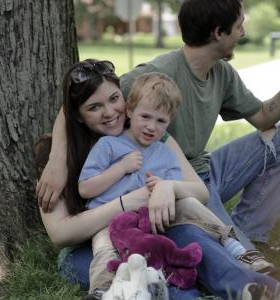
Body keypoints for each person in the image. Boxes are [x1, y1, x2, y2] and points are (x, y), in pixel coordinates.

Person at [36, 59, 280, 300]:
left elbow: (200, 192)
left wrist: (169, 188)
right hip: (90, 247)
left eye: (114, 99)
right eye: (94, 107)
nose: (110, 112)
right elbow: (61, 233)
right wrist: (128, 201)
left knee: (189, 236)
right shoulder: (54, 157)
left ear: (126, 100)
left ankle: (255, 289)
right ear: (77, 115)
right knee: (137, 271)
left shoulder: (147, 133)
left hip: (149, 224)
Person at [120, 0, 280, 252]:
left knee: (278, 138)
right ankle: (244, 246)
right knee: (241, 255)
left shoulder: (222, 73)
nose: (243, 33)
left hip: (208, 172)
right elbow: (87, 98)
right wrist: (55, 158)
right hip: (177, 184)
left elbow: (262, 117)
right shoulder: (158, 73)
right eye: (239, 26)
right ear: (218, 32)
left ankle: (252, 232)